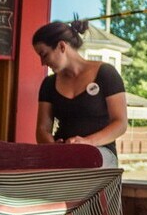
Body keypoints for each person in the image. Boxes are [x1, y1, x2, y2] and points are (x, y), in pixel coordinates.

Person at [33, 20, 128, 167]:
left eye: (44, 55)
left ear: (61, 46)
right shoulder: (48, 84)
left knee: (84, 161)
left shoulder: (106, 73)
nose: (42, 63)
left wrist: (87, 143)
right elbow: (42, 129)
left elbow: (120, 123)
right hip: (63, 154)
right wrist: (51, 146)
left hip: (100, 151)